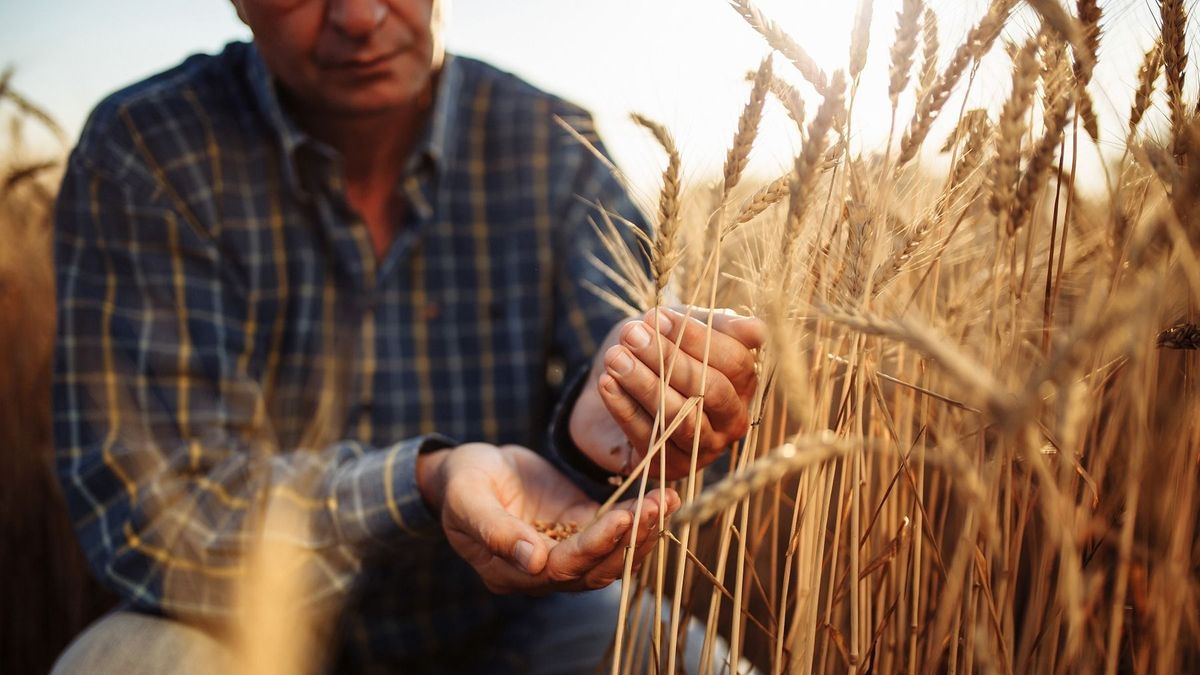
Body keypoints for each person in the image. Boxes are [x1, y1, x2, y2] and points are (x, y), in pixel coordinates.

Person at [50, 1, 764, 672]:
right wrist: (424, 480)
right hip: (235, 632)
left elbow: (628, 360)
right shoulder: (148, 149)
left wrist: (623, 417)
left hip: (515, 620)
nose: (358, 17)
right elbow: (155, 515)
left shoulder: (553, 144)